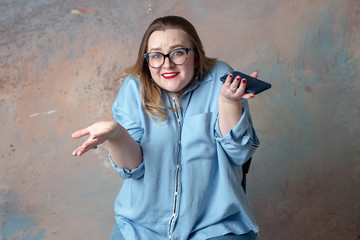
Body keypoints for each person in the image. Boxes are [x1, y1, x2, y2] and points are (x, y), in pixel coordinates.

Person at [72, 15, 260, 240]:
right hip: (142, 227)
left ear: (196, 56)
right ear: (147, 60)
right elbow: (133, 169)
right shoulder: (134, 88)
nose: (166, 64)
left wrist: (229, 102)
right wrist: (117, 133)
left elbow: (238, 154)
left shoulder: (221, 77)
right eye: (156, 55)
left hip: (215, 226)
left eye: (178, 52)